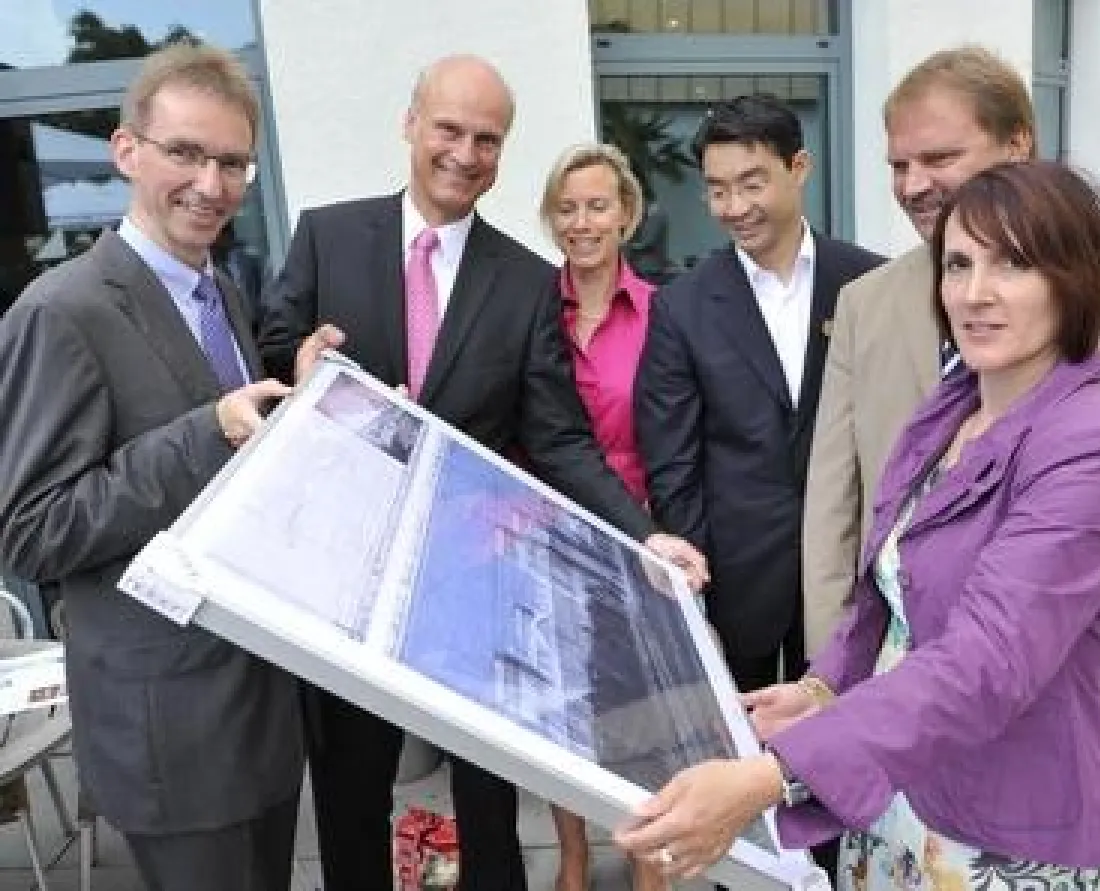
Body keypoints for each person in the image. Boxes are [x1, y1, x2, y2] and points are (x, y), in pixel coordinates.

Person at [616, 159, 1100, 890]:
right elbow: (888, 596)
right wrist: (821, 689)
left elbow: (985, 662)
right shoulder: (951, 408)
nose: (975, 293)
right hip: (893, 790)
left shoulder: (1093, 449)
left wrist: (774, 775)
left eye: (1014, 263)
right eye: (958, 263)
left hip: (995, 824)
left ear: (1076, 279)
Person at [256, 55, 707, 891]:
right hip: (341, 579)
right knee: (351, 795)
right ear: (411, 123)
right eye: (449, 129)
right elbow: (273, 349)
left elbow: (559, 437)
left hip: (471, 587)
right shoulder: (326, 235)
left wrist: (646, 536)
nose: (465, 154)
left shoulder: (528, 282)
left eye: (487, 140)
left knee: (489, 804)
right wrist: (301, 368)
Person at [803, 46, 1100, 748]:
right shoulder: (865, 303)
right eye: (898, 165)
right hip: (884, 698)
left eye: (938, 158)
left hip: (1048, 705)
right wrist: (828, 678)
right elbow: (837, 502)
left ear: (1017, 144)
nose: (913, 185)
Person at [0, 44, 303, 891]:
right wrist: (206, 432)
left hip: (259, 708)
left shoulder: (223, 293)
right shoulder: (59, 311)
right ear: (126, 150)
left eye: (233, 162)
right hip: (170, 734)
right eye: (186, 152)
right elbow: (33, 531)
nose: (211, 184)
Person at [635, 94, 882, 695]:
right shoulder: (682, 306)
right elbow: (673, 461)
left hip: (852, 571)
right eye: (718, 190)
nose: (735, 207)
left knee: (842, 730)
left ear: (799, 168)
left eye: (752, 184)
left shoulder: (869, 283)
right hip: (736, 578)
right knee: (740, 734)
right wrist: (699, 583)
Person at [538, 141, 665, 891]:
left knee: (641, 705)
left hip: (637, 533)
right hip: (547, 529)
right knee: (561, 709)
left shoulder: (660, 313)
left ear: (625, 215)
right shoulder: (530, 307)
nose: (581, 222)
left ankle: (648, 857)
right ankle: (574, 856)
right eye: (566, 208)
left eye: (596, 206)